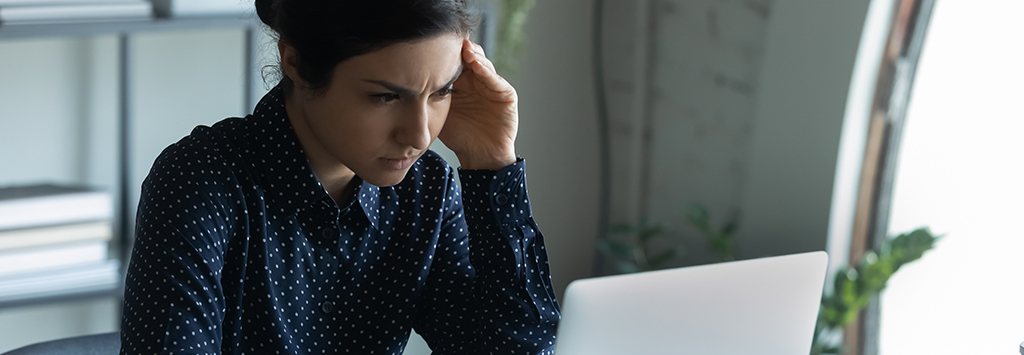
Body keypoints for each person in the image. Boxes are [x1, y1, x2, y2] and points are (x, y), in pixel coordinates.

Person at [118, 1, 560, 354]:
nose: (421, 134)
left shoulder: (426, 190)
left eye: (441, 91)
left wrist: (490, 163)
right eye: (386, 96)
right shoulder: (201, 182)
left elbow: (515, 348)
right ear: (295, 61)